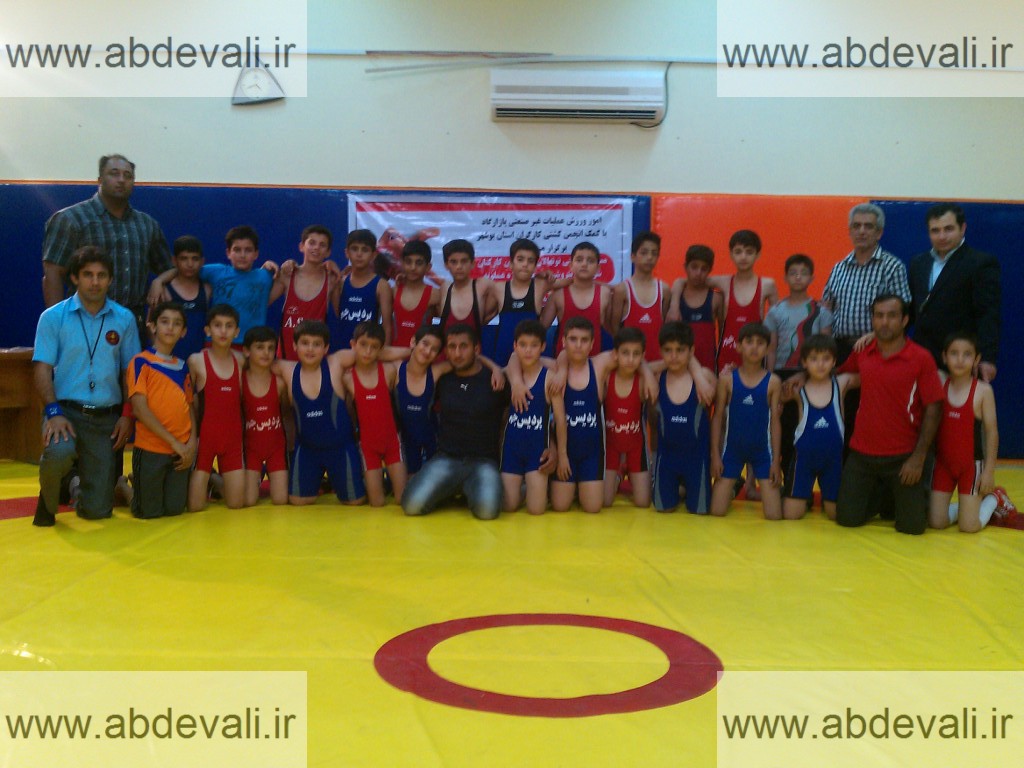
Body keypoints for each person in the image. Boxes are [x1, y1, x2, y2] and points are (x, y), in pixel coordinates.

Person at [32, 246, 140, 526]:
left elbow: (130, 372)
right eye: (88, 275)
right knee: (59, 453)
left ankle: (76, 488)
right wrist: (53, 412)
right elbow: (42, 368)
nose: (95, 281)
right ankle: (47, 501)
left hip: (105, 417)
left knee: (98, 511)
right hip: (65, 412)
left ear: (110, 280)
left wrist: (127, 415)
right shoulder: (53, 317)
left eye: (101, 275)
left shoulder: (124, 319)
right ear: (75, 278)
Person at [835, 294, 944, 535]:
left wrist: (918, 458)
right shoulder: (863, 351)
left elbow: (934, 408)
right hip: (862, 455)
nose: (884, 322)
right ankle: (885, 496)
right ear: (872, 319)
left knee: (912, 528)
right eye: (879, 316)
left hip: (903, 457)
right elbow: (832, 374)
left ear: (904, 320)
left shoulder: (921, 358)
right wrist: (801, 376)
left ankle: (896, 497)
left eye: (892, 316)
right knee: (847, 519)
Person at [42, 154, 172, 338]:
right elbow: (52, 274)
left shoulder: (146, 224)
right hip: (85, 323)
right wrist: (58, 326)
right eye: (114, 173)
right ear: (100, 179)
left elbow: (168, 269)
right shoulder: (71, 219)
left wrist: (159, 282)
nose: (121, 180)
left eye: (128, 176)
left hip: (133, 326)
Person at [401, 324, 510, 520]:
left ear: (476, 349)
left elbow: (510, 415)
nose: (457, 353)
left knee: (487, 511)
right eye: (452, 347)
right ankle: (452, 490)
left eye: (463, 346)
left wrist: (496, 368)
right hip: (447, 458)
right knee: (411, 505)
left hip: (483, 461)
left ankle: (465, 490)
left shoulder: (496, 380)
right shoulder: (443, 378)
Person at [928, 333, 1018, 532]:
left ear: (977, 359)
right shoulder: (940, 382)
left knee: (969, 526)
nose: (960, 360)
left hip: (971, 467)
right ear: (944, 357)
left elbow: (992, 433)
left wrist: (989, 472)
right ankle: (965, 508)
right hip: (943, 465)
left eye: (967, 354)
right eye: (954, 353)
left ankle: (995, 498)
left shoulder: (983, 391)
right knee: (936, 522)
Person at [273, 320, 367, 506]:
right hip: (307, 449)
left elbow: (372, 350)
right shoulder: (287, 370)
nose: (310, 349)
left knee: (355, 502)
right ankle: (322, 480)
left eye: (317, 344)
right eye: (305, 343)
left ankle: (360, 477)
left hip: (340, 447)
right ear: (294, 345)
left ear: (326, 348)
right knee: (298, 501)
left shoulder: (336, 362)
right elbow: (252, 360)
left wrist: (411, 352)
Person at [908, 203, 1001, 381]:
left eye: (948, 229)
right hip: (923, 356)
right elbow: (912, 310)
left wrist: (988, 358)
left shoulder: (980, 263)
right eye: (935, 230)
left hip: (960, 358)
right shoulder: (918, 263)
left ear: (962, 228)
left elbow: (988, 314)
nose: (942, 236)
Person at [764, 254, 833, 493]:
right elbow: (771, 348)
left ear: (812, 278)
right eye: (793, 273)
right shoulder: (775, 312)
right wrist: (770, 381)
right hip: (780, 376)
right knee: (782, 431)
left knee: (803, 431)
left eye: (803, 273)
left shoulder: (821, 312)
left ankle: (803, 486)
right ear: (785, 277)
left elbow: (826, 347)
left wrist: (806, 375)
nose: (798, 277)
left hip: (811, 377)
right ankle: (786, 484)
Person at [126, 302, 197, 519]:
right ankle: (125, 489)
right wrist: (174, 442)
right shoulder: (141, 362)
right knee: (148, 512)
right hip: (152, 448)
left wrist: (192, 443)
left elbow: (189, 407)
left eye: (177, 324)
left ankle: (140, 485)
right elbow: (139, 409)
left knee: (175, 509)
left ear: (183, 331)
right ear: (153, 326)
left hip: (180, 451)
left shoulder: (182, 366)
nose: (170, 328)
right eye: (165, 322)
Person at [780, 334, 858, 521]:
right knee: (791, 516)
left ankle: (823, 498)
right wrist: (796, 378)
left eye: (826, 359)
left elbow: (873, 372)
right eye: (814, 359)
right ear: (804, 362)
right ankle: (802, 497)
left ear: (834, 361)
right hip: (803, 462)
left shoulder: (841, 384)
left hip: (832, 463)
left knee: (837, 516)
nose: (820, 364)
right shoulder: (797, 390)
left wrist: (870, 340)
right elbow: (774, 395)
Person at [709, 322, 783, 519]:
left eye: (760, 343)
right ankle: (734, 487)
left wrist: (776, 461)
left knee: (774, 515)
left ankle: (747, 486)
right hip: (732, 451)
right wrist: (715, 455)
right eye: (749, 342)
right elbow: (717, 418)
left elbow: (775, 423)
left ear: (767, 349)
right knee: (716, 511)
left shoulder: (773, 382)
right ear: (739, 346)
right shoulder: (727, 380)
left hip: (762, 453)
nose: (754, 347)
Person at [822, 203, 911, 364]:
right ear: (850, 231)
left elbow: (903, 311)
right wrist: (825, 346)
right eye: (856, 226)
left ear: (879, 233)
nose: (861, 231)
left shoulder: (892, 267)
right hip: (839, 349)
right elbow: (826, 310)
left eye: (868, 226)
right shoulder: (838, 268)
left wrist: (876, 335)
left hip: (877, 347)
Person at [500, 320, 564, 515]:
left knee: (536, 510)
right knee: (508, 506)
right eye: (523, 345)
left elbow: (560, 420)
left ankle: (537, 487)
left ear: (543, 347)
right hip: (512, 450)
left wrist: (560, 453)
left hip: (538, 452)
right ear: (515, 346)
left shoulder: (549, 378)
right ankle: (525, 488)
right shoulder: (509, 375)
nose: (528, 350)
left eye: (534, 345)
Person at [649, 322, 714, 515]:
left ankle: (722, 486)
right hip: (667, 457)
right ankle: (681, 488)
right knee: (664, 509)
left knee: (699, 511)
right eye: (668, 350)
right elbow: (641, 367)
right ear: (660, 351)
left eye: (680, 350)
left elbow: (720, 403)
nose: (674, 356)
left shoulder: (704, 377)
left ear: (691, 351)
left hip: (696, 458)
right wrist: (664, 364)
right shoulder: (658, 376)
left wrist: (697, 374)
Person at [186, 304, 246, 511]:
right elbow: (188, 402)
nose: (223, 331)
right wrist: (192, 436)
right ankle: (209, 477)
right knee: (195, 507)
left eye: (229, 326)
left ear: (237, 332)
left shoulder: (241, 361)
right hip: (205, 439)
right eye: (218, 325)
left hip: (232, 440)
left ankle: (215, 480)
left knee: (236, 504)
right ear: (208, 330)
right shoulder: (196, 361)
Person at [341, 322, 407, 507]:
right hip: (368, 446)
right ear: (353, 344)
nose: (368, 351)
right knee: (377, 503)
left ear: (381, 350)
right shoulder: (347, 378)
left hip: (392, 443)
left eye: (374, 347)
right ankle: (377, 480)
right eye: (363, 345)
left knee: (402, 499)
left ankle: (390, 480)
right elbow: (348, 409)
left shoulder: (389, 371)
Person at [241, 326, 289, 506]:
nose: (266, 353)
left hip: (276, 447)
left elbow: (286, 413)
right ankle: (217, 481)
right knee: (248, 500)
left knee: (280, 499)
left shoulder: (280, 383)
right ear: (247, 351)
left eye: (270, 348)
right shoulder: (240, 380)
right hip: (251, 448)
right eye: (260, 347)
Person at [485, 238, 554, 365]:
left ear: (535, 266)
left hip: (531, 355)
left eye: (530, 261)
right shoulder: (498, 288)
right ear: (511, 263)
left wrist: (546, 274)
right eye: (520, 259)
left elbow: (573, 281)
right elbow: (484, 318)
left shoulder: (540, 285)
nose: (525, 264)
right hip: (504, 355)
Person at [540, 241, 612, 355]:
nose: (584, 264)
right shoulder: (558, 295)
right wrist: (543, 287)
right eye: (579, 260)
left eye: (590, 261)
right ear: (571, 266)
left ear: (598, 268)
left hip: (594, 361)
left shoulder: (605, 294)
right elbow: (540, 328)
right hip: (563, 361)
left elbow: (612, 330)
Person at [276, 225, 335, 361]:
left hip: (315, 362)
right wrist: (265, 268)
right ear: (301, 246)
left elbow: (344, 313)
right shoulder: (286, 275)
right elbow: (259, 301)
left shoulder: (332, 280)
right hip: (286, 360)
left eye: (322, 245)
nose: (316, 248)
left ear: (328, 252)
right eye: (312, 243)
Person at [610, 231, 668, 361]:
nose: (649, 257)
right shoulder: (622, 290)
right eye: (644, 252)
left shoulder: (664, 290)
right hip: (630, 363)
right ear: (632, 257)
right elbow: (615, 328)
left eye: (654, 253)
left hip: (657, 362)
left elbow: (664, 327)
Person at [665, 244, 724, 371]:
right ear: (685, 267)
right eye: (694, 267)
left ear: (710, 270)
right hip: (678, 368)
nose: (698, 273)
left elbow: (723, 338)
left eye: (704, 269)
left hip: (707, 369)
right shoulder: (674, 296)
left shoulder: (716, 299)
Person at [332, 228, 393, 349]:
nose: (359, 254)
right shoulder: (340, 283)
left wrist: (384, 353)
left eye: (365, 250)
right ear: (347, 253)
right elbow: (338, 316)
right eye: (354, 249)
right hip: (343, 350)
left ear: (373, 255)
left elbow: (387, 326)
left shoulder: (381, 285)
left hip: (368, 352)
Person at [437, 239, 496, 340]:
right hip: (446, 349)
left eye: (464, 261)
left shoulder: (484, 285)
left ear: (472, 263)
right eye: (453, 262)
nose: (459, 267)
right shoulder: (444, 289)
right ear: (446, 265)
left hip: (475, 349)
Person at [391, 240, 446, 348]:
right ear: (402, 263)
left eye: (419, 263)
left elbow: (446, 325)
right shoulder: (393, 291)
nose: (413, 267)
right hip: (394, 353)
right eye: (408, 262)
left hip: (422, 355)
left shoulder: (435, 295)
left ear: (428, 267)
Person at [163, 236, 210, 360]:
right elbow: (151, 327)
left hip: (199, 361)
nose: (190, 264)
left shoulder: (207, 289)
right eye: (184, 258)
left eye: (195, 259)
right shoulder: (164, 291)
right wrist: (160, 358)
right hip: (170, 360)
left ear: (202, 261)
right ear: (174, 261)